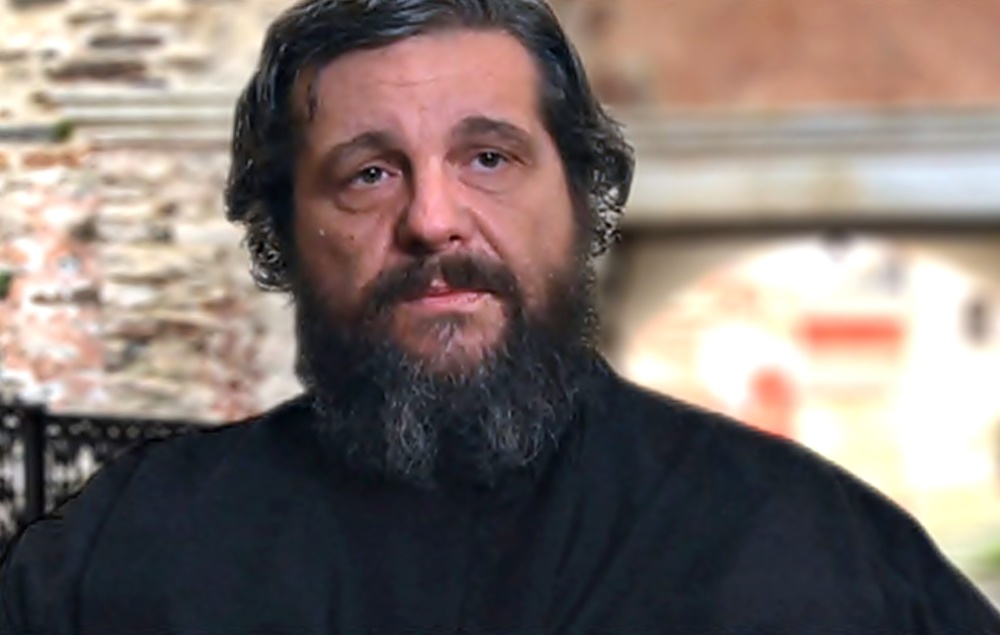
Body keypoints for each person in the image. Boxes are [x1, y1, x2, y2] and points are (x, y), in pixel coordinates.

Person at [2, 0, 999, 632]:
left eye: (489, 157)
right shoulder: (127, 553)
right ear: (283, 232)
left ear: (582, 199)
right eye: (369, 173)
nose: (432, 219)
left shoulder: (812, 548)